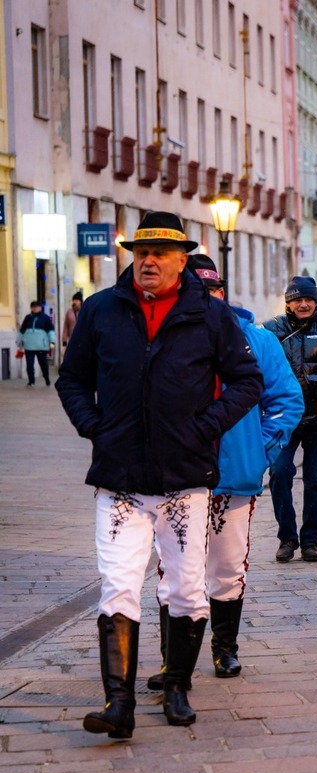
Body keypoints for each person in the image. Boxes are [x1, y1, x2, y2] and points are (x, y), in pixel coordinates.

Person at [56, 211, 263, 737]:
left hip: (185, 479)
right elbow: (72, 380)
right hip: (120, 480)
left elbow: (246, 380)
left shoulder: (209, 316)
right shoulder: (103, 310)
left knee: (188, 590)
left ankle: (176, 686)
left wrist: (207, 426)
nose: (148, 261)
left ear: (181, 260)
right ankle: (118, 704)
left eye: (160, 253)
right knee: (119, 585)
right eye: (140, 252)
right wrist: (93, 426)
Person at [147, 256, 303, 688]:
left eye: (212, 291)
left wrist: (260, 449)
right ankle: (171, 660)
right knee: (176, 568)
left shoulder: (255, 340)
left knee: (228, 563)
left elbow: (287, 400)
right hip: (177, 475)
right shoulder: (158, 338)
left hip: (233, 475)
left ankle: (224, 647)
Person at [264, 276, 317, 564]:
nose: (303, 303)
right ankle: (287, 537)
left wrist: (311, 382)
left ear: (315, 301)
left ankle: (311, 540)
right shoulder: (271, 329)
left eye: (308, 299)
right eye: (298, 299)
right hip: (283, 418)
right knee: (280, 474)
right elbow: (261, 365)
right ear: (288, 301)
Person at [17, 299, 55, 386]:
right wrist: (18, 341)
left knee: (43, 364)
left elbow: (50, 330)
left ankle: (46, 378)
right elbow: (22, 330)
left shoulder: (45, 318)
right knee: (29, 365)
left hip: (41, 346)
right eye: (33, 307)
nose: (35, 309)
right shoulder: (28, 318)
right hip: (29, 346)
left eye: (37, 307)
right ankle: (31, 381)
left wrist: (52, 341)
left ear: (40, 308)